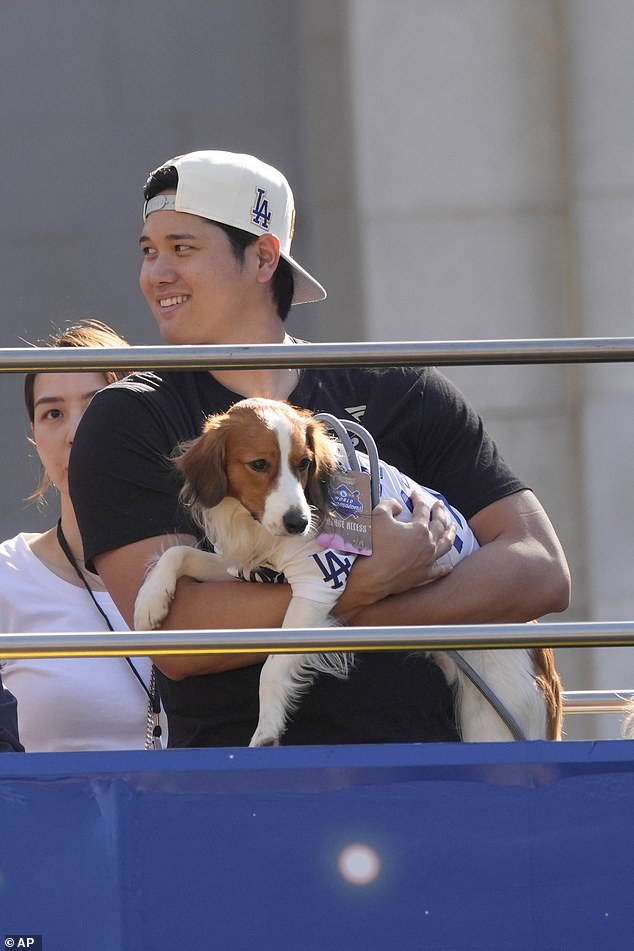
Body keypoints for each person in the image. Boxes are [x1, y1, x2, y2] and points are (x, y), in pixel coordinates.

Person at [69, 150, 571, 748]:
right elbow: (177, 638)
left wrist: (342, 602)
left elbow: (539, 567)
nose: (157, 274)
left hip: (431, 773)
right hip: (238, 785)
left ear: (262, 257)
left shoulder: (398, 387)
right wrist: (362, 585)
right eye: (149, 251)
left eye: (183, 248)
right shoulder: (130, 415)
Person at [0, 320, 161, 752]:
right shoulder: (7, 576)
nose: (75, 434)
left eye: (97, 408)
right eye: (53, 413)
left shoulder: (211, 565)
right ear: (35, 439)